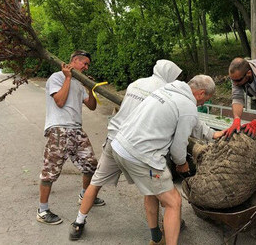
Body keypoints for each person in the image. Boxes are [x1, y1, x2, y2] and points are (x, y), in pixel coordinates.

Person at [69, 59, 183, 241]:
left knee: (96, 183)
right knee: (155, 187)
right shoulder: (164, 92)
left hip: (114, 138)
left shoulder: (137, 83)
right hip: (135, 145)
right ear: (170, 75)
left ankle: (78, 223)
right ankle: (165, 226)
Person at [111, 75, 223, 245]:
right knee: (173, 202)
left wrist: (213, 134)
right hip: (141, 155)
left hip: (120, 146)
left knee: (151, 191)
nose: (204, 103)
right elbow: (178, 148)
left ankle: (156, 239)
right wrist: (182, 164)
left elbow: (191, 121)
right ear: (200, 93)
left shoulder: (167, 90)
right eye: (206, 99)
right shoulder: (188, 106)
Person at [37, 50, 105, 225]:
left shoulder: (79, 83)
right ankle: (42, 210)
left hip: (77, 130)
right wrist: (67, 78)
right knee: (50, 171)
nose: (86, 67)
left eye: (88, 65)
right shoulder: (57, 77)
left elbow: (91, 106)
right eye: (85, 63)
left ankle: (85, 195)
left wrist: (90, 87)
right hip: (58, 130)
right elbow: (59, 101)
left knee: (91, 165)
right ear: (75, 61)